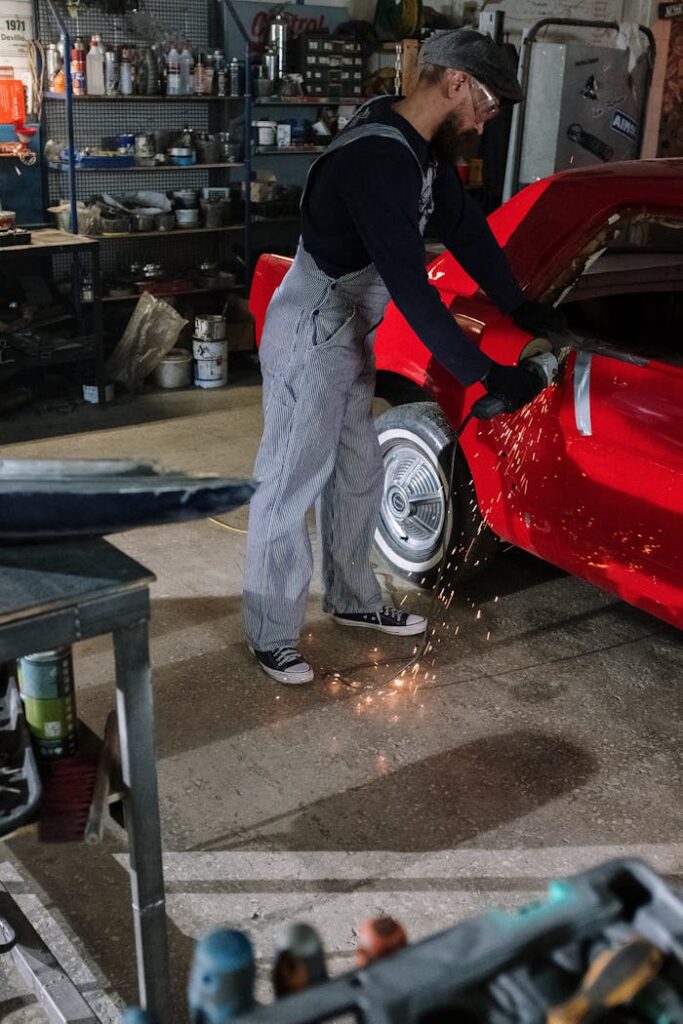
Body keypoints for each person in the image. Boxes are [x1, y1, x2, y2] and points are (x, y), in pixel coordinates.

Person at [243, 28, 565, 686]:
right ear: (453, 84)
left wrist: (519, 305)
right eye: (486, 104)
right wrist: (483, 376)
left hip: (350, 321)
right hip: (315, 324)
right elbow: (414, 291)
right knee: (289, 482)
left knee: (358, 471)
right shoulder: (376, 160)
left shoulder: (418, 147)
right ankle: (271, 633)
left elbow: (464, 228)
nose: (484, 122)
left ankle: (353, 599)